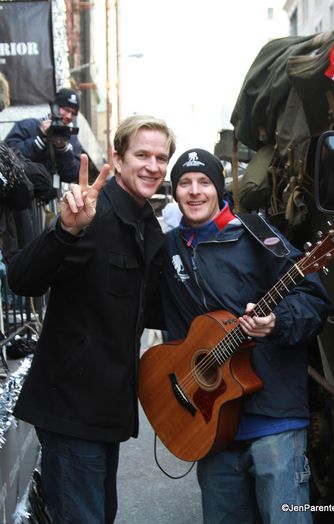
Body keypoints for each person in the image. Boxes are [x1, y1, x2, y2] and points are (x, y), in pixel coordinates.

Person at [7, 114, 176, 524]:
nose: (153, 166)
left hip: (109, 413)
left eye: (161, 157)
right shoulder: (91, 214)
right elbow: (23, 278)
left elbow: (154, 310)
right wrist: (65, 230)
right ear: (117, 159)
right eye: (142, 155)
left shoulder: (147, 227)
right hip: (71, 411)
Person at [160, 148, 331, 524]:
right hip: (211, 425)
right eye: (185, 183)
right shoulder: (171, 248)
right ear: (174, 193)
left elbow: (313, 298)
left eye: (204, 182)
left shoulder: (256, 233)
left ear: (219, 189)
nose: (194, 191)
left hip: (274, 422)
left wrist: (276, 322)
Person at [4, 87, 82, 184]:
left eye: (73, 113)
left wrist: (63, 149)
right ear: (55, 107)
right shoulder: (28, 126)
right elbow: (8, 157)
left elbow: (72, 175)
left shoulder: (71, 139)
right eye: (66, 110)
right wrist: (40, 139)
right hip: (24, 194)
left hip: (52, 196)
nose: (69, 116)